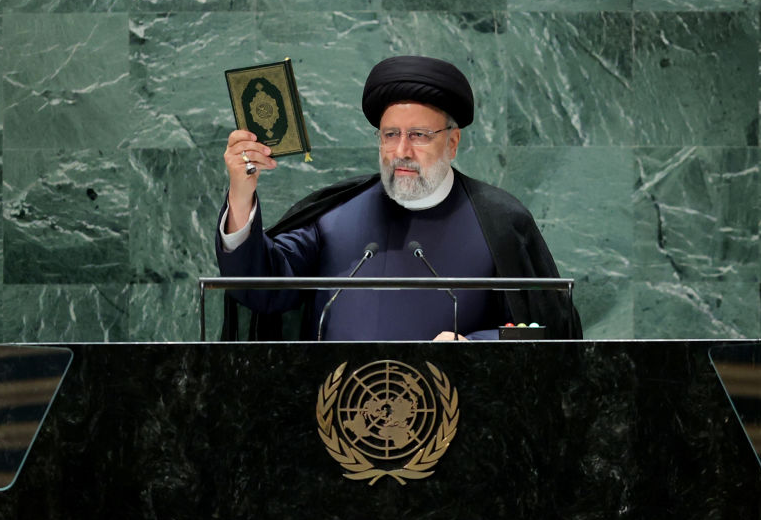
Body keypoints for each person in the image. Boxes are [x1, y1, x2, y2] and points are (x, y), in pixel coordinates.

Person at [215, 55, 582, 341]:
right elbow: (261, 289)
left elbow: (547, 332)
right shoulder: (334, 216)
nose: (401, 150)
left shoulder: (499, 221)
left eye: (419, 135)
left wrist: (473, 346)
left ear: (452, 142)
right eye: (391, 135)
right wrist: (242, 192)